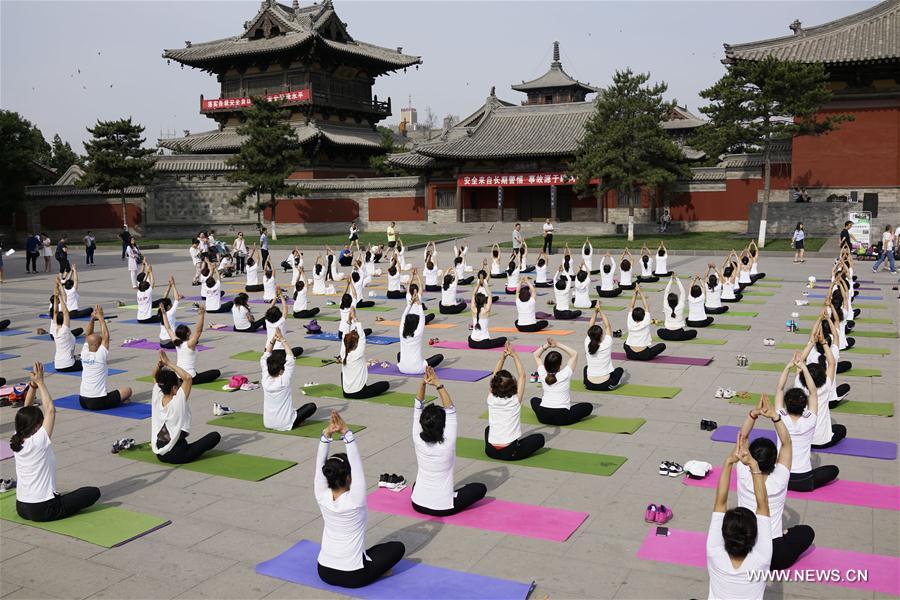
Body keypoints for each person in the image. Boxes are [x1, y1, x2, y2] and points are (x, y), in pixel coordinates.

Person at [315, 410, 405, 588]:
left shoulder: (321, 495)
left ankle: (373, 566)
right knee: (397, 547)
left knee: (377, 549)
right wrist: (346, 433)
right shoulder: (355, 500)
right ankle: (377, 571)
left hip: (323, 571)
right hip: (354, 576)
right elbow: (356, 465)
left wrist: (326, 435)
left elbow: (320, 465)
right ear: (349, 477)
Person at [11, 363, 101, 522]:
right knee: (93, 492)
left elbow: (26, 408)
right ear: (37, 426)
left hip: (22, 507)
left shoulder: (17, 437)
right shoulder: (39, 440)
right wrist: (41, 383)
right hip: (43, 509)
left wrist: (33, 385)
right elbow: (50, 410)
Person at [737, 393, 814, 570]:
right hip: (775, 554)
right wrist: (775, 417)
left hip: (744, 552)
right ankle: (784, 534)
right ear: (774, 460)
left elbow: (743, 437)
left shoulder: (743, 472)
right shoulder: (780, 476)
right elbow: (787, 443)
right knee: (806, 532)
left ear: (750, 458)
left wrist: (753, 414)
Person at [411, 367, 487, 515]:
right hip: (443, 508)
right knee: (480, 488)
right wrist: (438, 384)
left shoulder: (417, 438)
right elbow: (450, 409)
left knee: (417, 484)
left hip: (417, 503)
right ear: (442, 426)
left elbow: (417, 405)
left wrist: (423, 383)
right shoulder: (447, 444)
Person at [706, 435, 772, 600]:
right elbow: (762, 505)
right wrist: (754, 465)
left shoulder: (714, 552)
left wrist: (729, 462)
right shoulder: (762, 558)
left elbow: (720, 502)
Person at [774, 350, 840, 493]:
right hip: (803, 480)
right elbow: (813, 392)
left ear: (786, 403)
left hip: (780, 478)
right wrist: (803, 367)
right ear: (804, 404)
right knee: (834, 470)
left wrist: (788, 367)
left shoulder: (780, 418)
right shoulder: (810, 420)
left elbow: (779, 389)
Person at [151, 351, 221, 464]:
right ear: (174, 388)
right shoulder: (177, 401)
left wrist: (159, 366)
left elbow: (154, 376)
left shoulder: (157, 395)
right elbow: (188, 377)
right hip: (178, 455)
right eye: (179, 384)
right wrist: (168, 363)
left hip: (160, 454)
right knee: (214, 436)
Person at [484, 344, 545, 460]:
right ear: (512, 384)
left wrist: (503, 358)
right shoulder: (515, 400)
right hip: (510, 452)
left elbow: (494, 376)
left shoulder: (491, 398)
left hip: (490, 451)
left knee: (488, 429)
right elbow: (522, 376)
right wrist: (514, 355)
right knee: (540, 438)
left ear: (494, 385)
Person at [79, 305, 133, 410]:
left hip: (82, 400)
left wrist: (92, 319)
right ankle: (118, 402)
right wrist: (101, 317)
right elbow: (106, 336)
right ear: (99, 345)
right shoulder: (100, 356)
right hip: (97, 401)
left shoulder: (84, 353)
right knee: (128, 391)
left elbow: (88, 334)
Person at [262, 329, 317, 430]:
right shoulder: (284, 380)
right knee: (311, 406)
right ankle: (297, 421)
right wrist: (282, 339)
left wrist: (273, 340)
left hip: (268, 423)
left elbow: (265, 356)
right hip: (285, 423)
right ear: (280, 371)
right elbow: (290, 357)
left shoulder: (265, 379)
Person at [530, 337, 592, 425]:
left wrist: (547, 345)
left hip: (543, 416)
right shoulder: (565, 373)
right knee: (588, 406)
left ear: (545, 364)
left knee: (534, 400)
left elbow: (536, 355)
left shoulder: (542, 372)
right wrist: (557, 344)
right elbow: (574, 354)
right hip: (562, 417)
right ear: (560, 364)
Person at [161, 306, 221, 385]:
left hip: (179, 376)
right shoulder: (190, 344)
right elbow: (198, 331)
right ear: (188, 333)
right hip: (190, 377)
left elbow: (168, 328)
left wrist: (164, 314)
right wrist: (201, 315)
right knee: (216, 372)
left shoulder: (177, 342)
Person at [340, 312, 390, 399]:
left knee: (342, 373)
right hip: (359, 393)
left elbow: (344, 335)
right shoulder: (358, 353)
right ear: (356, 344)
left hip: (346, 393)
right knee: (385, 385)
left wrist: (349, 321)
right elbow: (362, 337)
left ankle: (350, 388)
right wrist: (355, 318)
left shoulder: (343, 353)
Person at [397, 292, 443, 374]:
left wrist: (410, 304)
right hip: (418, 369)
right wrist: (418, 303)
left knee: (399, 354)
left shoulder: (401, 333)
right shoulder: (417, 334)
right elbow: (422, 318)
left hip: (402, 369)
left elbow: (403, 316)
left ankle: (405, 364)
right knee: (440, 357)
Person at [583, 305, 625, 391]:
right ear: (601, 335)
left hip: (589, 384)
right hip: (605, 385)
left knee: (586, 368)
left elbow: (590, 326)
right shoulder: (607, 343)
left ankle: (587, 381)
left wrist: (595, 311)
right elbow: (608, 327)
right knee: (620, 370)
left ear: (589, 335)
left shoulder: (587, 342)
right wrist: (600, 310)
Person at [625, 285, 666, 360]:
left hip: (631, 355)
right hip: (644, 355)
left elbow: (631, 306)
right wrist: (640, 292)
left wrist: (635, 293)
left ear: (632, 316)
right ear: (643, 316)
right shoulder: (646, 321)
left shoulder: (630, 320)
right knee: (662, 345)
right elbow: (646, 306)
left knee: (625, 344)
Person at [656, 273, 696, 341]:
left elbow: (666, 292)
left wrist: (671, 279)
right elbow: (682, 292)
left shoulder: (666, 306)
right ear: (677, 300)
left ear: (668, 300)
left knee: (659, 331)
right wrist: (677, 279)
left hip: (667, 333)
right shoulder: (680, 305)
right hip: (679, 334)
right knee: (694, 332)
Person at [51, 284, 81, 372]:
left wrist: (56, 298)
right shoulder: (65, 330)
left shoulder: (54, 330)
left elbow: (55, 312)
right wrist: (59, 296)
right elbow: (65, 312)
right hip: (69, 365)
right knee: (90, 362)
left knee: (80, 356)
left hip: (57, 365)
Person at [469, 281, 507, 349]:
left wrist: (478, 284)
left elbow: (473, 294)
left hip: (472, 343)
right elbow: (489, 295)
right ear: (484, 301)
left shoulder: (473, 309)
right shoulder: (486, 310)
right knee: (504, 339)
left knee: (470, 337)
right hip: (484, 343)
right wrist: (484, 284)